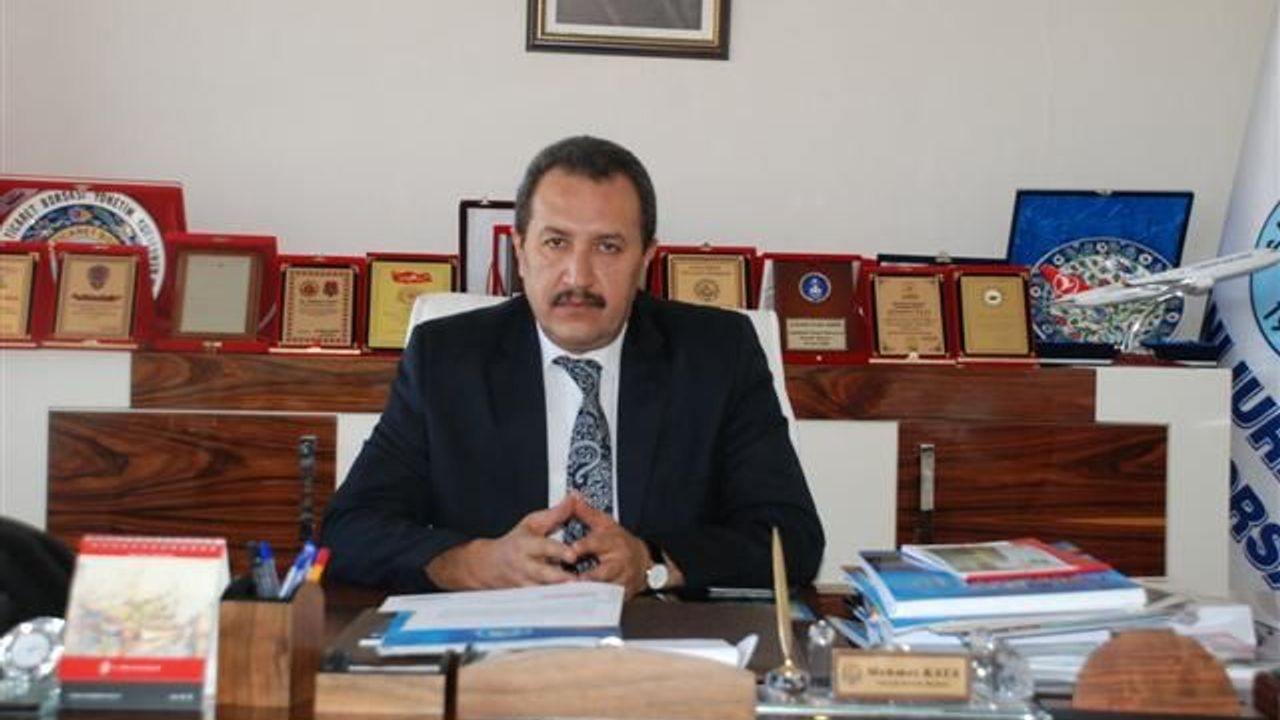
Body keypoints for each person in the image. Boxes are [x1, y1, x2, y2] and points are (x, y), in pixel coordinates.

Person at [322, 135, 824, 597]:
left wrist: (653, 562)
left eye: (608, 247)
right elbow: (348, 530)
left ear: (645, 259)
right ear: (520, 251)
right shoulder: (447, 359)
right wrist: (472, 563)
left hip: (662, 641)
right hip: (497, 641)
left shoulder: (717, 355)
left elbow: (793, 539)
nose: (578, 276)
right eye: (556, 242)